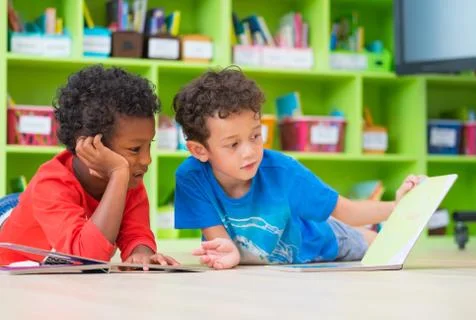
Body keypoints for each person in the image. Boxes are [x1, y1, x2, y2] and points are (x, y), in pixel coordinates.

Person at [172, 67, 422, 270]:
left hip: (321, 242)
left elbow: (348, 209)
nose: (249, 151)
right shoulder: (191, 177)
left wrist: (398, 208)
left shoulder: (283, 170)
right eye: (233, 144)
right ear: (199, 150)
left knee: (374, 245)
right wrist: (228, 252)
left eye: (256, 136)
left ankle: (370, 231)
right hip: (272, 257)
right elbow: (221, 242)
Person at [0, 65, 178, 268]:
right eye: (135, 149)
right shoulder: (51, 183)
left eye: (149, 146)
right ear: (90, 146)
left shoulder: (129, 182)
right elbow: (87, 258)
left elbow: (136, 233)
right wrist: (118, 173)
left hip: (41, 217)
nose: (147, 160)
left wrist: (143, 254)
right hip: (7, 224)